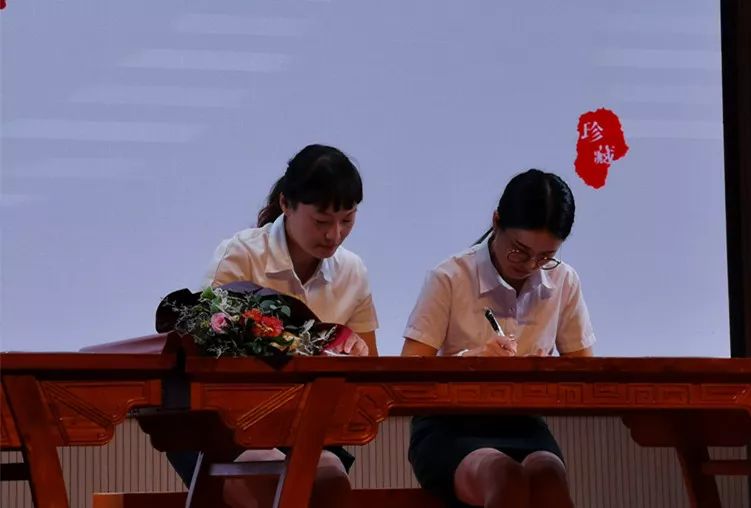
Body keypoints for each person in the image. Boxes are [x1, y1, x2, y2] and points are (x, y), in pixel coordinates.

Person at [168, 144, 379, 508]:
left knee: (331, 481)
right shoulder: (242, 254)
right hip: (224, 424)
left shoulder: (352, 271)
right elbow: (207, 351)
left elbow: (368, 367)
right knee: (268, 477)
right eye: (321, 221)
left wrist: (353, 351)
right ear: (286, 204)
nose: (334, 235)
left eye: (347, 220)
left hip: (303, 423)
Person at [401, 169, 595, 508]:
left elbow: (586, 374)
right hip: (448, 424)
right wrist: (469, 363)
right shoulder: (450, 277)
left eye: (545, 257)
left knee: (549, 477)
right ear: (496, 222)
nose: (531, 265)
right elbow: (408, 372)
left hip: (522, 422)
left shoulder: (563, 282)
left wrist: (546, 374)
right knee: (503, 476)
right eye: (520, 250)